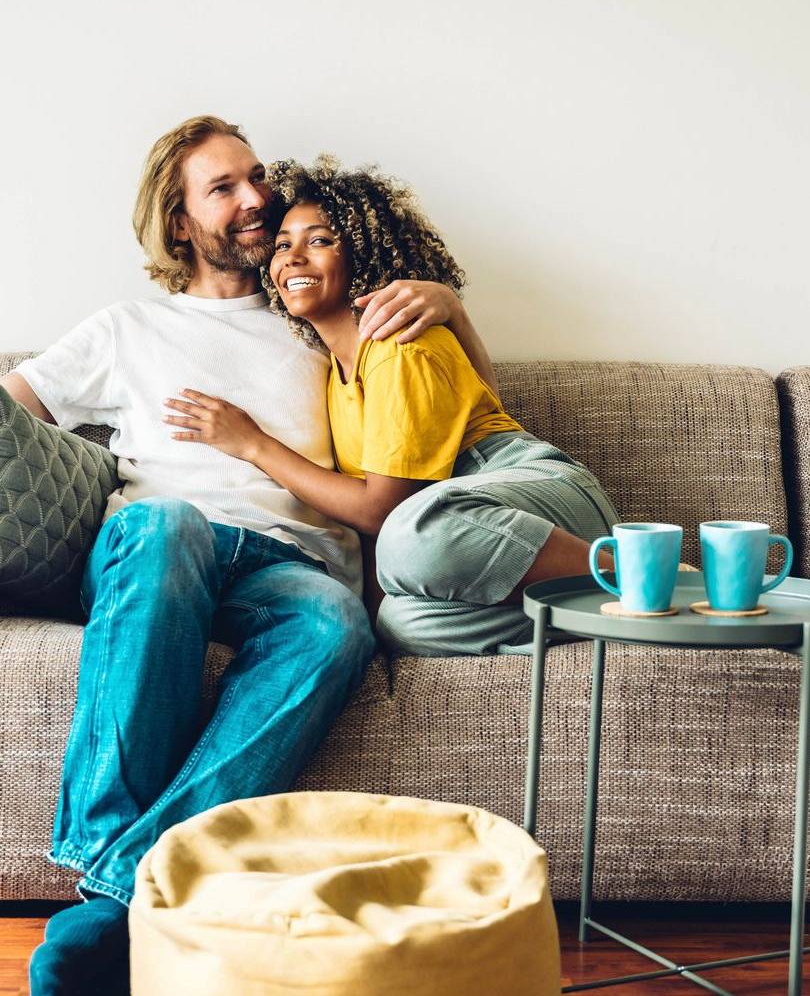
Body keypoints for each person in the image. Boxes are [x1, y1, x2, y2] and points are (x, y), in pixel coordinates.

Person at [2, 118, 490, 995]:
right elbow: (11, 418)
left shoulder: (317, 317)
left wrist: (450, 305)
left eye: (257, 176)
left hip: (287, 564)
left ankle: (115, 894)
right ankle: (113, 870)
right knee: (166, 524)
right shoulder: (127, 327)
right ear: (180, 222)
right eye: (223, 187)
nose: (257, 199)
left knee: (336, 624)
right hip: (159, 546)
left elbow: (462, 392)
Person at [161, 155, 620, 658]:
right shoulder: (334, 372)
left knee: (408, 535)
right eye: (283, 244)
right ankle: (603, 608)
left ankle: (642, 573)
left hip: (535, 500)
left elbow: (380, 511)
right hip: (464, 534)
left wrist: (254, 445)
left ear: (362, 255)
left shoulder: (399, 345)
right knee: (401, 624)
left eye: (320, 241)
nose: (292, 258)